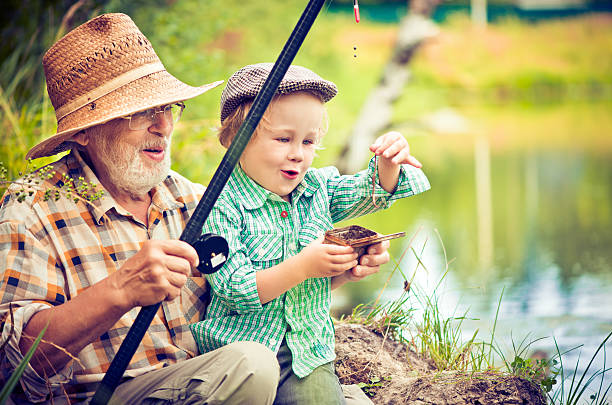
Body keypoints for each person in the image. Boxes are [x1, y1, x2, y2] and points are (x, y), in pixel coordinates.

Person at [0, 14, 395, 405]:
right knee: (253, 364)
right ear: (84, 131)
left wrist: (334, 272)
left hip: (205, 383)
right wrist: (120, 291)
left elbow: (247, 301)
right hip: (103, 395)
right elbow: (14, 365)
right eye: (140, 113)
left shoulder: (198, 199)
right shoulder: (31, 210)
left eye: (169, 107)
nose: (164, 125)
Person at [189, 63, 431, 405]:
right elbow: (234, 290)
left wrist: (388, 162)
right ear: (235, 140)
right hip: (240, 353)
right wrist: (303, 267)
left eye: (309, 141)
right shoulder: (220, 203)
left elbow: (370, 191)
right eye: (283, 139)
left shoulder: (318, 187)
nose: (298, 154)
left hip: (306, 350)